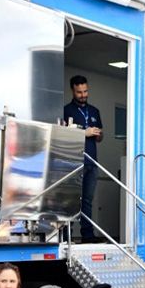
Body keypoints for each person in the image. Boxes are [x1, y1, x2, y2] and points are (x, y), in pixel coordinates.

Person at [64, 75, 103, 242]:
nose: (83, 95)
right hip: (73, 162)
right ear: (72, 90)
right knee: (70, 200)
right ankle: (67, 236)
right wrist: (83, 133)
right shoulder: (66, 110)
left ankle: (88, 235)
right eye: (79, 92)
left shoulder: (94, 111)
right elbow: (63, 134)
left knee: (87, 201)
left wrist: (98, 134)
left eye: (85, 91)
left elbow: (100, 137)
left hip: (91, 162)